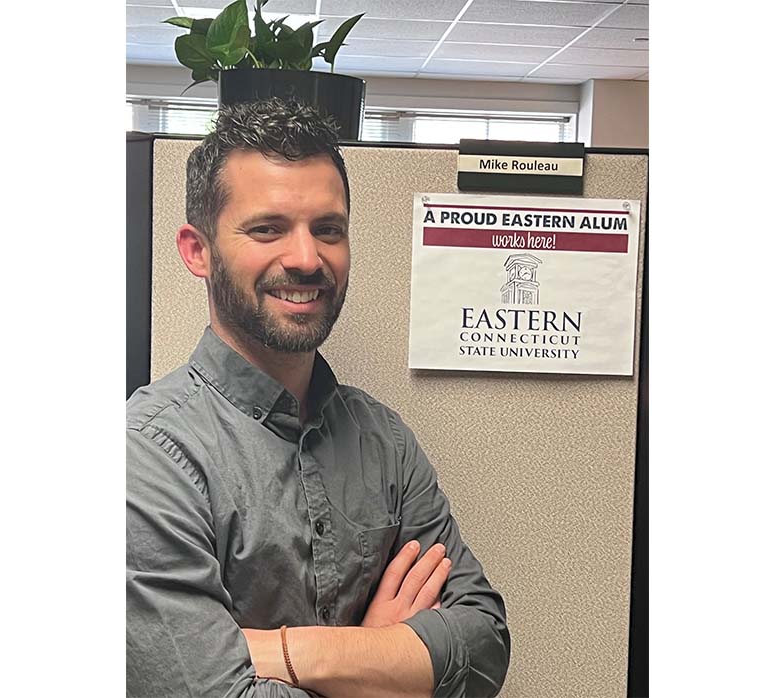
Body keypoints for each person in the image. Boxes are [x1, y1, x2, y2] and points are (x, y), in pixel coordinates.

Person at [126, 97, 510, 698]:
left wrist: (278, 651)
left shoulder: (382, 440)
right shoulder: (147, 457)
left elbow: (484, 645)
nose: (306, 258)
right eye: (267, 229)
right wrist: (386, 655)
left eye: (327, 230)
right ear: (197, 251)